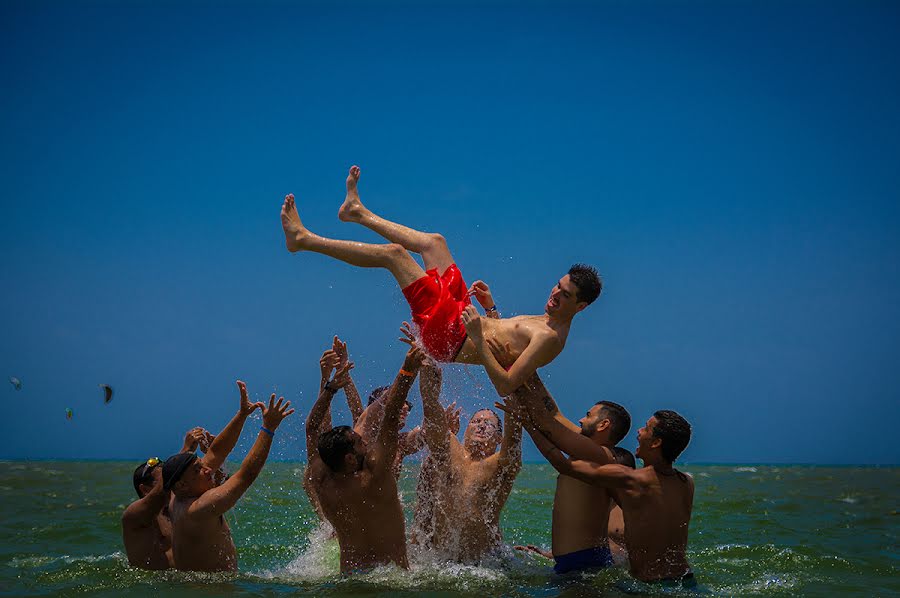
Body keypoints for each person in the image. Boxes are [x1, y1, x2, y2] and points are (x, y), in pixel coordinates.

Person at [280, 165, 602, 395]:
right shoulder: (545, 319)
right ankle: (356, 212)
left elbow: (506, 385)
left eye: (565, 295)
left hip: (450, 337)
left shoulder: (551, 339)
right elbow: (504, 343)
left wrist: (476, 336)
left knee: (394, 255)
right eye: (557, 287)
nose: (554, 295)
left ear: (581, 306)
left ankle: (303, 239)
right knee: (435, 242)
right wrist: (491, 310)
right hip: (465, 317)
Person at [522, 404, 697, 588]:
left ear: (655, 443)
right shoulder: (687, 482)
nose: (639, 431)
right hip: (685, 579)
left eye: (645, 428)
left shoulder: (632, 480)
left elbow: (565, 466)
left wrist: (529, 426)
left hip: (651, 585)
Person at [304, 345, 426, 574]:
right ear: (350, 458)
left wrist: (329, 387)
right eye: (360, 442)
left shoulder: (322, 481)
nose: (365, 441)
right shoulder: (376, 474)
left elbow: (312, 429)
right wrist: (408, 371)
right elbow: (389, 416)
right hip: (392, 578)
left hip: (349, 578)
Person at [500, 373, 631, 574]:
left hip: (585, 562)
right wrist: (527, 372)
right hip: (573, 560)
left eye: (588, 415)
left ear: (603, 424)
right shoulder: (586, 447)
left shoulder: (601, 455)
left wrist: (512, 380)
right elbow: (555, 416)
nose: (580, 419)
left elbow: (549, 427)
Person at [164, 382, 294, 572]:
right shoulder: (199, 508)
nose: (207, 470)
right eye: (198, 470)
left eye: (201, 465)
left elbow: (216, 452)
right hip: (211, 590)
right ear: (182, 485)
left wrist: (242, 415)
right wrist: (268, 428)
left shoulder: (177, 497)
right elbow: (246, 476)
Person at [413, 359, 523, 562]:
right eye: (476, 421)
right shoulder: (451, 449)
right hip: (440, 562)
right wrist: (426, 365)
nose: (481, 426)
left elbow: (514, 442)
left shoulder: (499, 465)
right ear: (466, 428)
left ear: (499, 438)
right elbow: (431, 407)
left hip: (481, 564)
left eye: (489, 423)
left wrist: (513, 411)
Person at [122, 427, 214, 570]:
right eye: (169, 480)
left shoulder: (179, 506)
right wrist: (187, 450)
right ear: (145, 490)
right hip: (156, 587)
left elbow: (211, 483)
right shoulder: (133, 517)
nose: (175, 485)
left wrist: (211, 451)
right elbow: (160, 494)